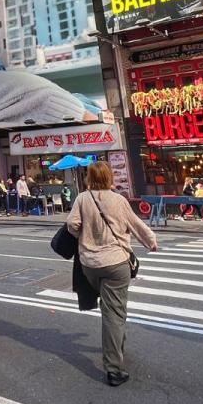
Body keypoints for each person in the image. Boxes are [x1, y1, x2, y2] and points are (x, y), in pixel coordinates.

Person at [66, 159, 158, 386]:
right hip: (116, 263)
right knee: (114, 313)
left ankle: (117, 347)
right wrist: (151, 242)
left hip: (90, 264)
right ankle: (114, 368)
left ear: (89, 178)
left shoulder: (82, 199)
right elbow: (137, 225)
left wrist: (85, 237)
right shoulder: (119, 200)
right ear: (109, 178)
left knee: (113, 310)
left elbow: (72, 225)